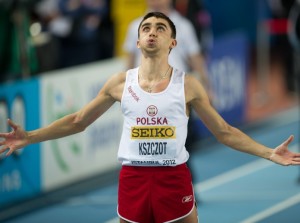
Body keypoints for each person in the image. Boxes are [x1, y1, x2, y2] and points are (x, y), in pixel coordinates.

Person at [0, 12, 300, 223]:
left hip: (173, 176)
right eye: (146, 28)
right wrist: (30, 137)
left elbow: (224, 131)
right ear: (139, 41)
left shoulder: (188, 84)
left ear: (173, 42)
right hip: (134, 178)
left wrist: (268, 153)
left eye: (160, 28)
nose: (152, 31)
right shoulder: (120, 83)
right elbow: (78, 120)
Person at [123, 0, 210, 189]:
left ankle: (186, 187)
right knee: (147, 146)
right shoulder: (135, 26)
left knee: (181, 143)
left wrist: (207, 88)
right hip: (144, 97)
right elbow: (129, 61)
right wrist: (126, 89)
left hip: (177, 96)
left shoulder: (184, 25)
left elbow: (195, 58)